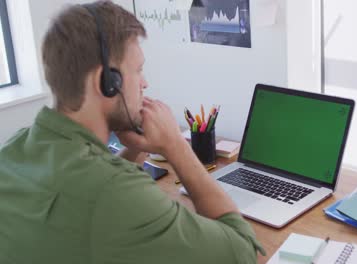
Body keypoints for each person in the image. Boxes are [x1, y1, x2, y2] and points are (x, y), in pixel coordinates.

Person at [0, 1, 264, 263]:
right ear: (107, 82)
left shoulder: (13, 151)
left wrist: (137, 146)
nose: (145, 83)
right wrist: (176, 146)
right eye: (138, 70)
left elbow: (89, 185)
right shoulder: (115, 194)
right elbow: (243, 252)